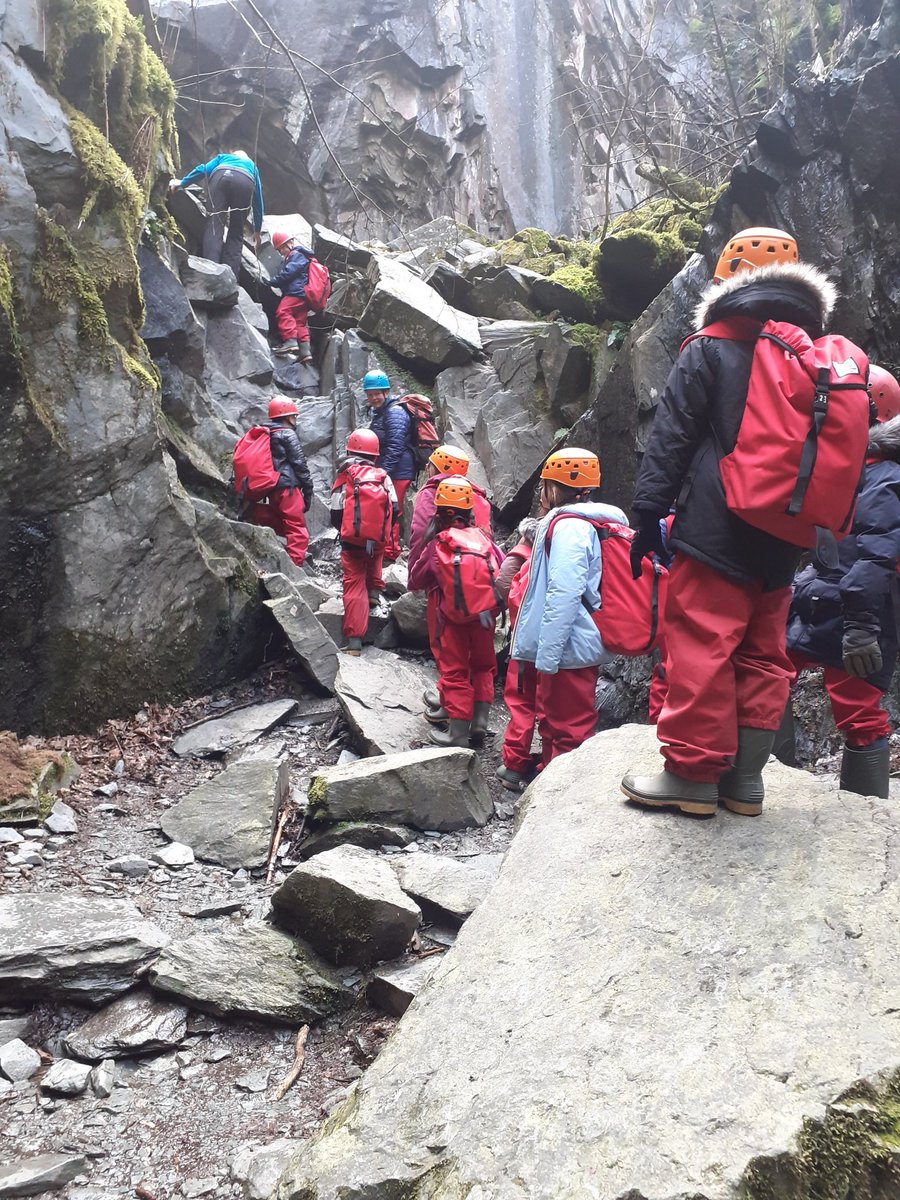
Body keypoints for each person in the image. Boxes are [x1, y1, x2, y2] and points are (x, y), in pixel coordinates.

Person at [622, 228, 841, 817]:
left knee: (701, 642)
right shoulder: (814, 357)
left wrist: (646, 514)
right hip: (785, 533)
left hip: (716, 526)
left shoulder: (710, 346)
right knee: (764, 650)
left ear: (726, 280)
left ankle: (692, 776)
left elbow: (671, 438)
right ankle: (744, 781)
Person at [786, 367, 900, 798]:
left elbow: (876, 557)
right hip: (819, 595)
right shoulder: (844, 468)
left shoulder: (885, 477)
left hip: (861, 609)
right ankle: (759, 779)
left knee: (857, 708)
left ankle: (866, 814)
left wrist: (862, 625)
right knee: (769, 674)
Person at [511, 449, 627, 766]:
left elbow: (565, 591)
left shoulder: (571, 528)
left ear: (555, 487)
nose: (540, 492)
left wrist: (547, 657)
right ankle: (547, 778)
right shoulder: (576, 523)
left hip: (570, 646)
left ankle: (560, 801)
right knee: (554, 722)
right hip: (569, 642)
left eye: (544, 484)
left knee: (569, 729)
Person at [408, 477, 503, 748]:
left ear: (438, 511)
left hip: (451, 617)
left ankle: (457, 733)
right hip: (484, 616)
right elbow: (501, 569)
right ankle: (480, 722)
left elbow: (419, 578)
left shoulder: (440, 542)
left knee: (455, 670)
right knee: (484, 665)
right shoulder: (483, 538)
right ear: (469, 511)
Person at [330, 428, 398, 656]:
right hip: (378, 537)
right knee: (376, 555)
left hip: (352, 541)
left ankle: (355, 641)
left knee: (353, 583)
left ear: (350, 450)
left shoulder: (345, 476)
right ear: (375, 455)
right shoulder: (383, 476)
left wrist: (347, 530)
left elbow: (336, 511)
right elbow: (395, 508)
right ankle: (374, 594)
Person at [169, 150, 264, 282]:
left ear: (234, 154)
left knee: (214, 224)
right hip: (245, 180)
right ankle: (230, 279)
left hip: (221, 175)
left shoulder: (224, 157)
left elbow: (203, 169)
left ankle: (210, 270)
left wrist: (183, 182)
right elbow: (258, 199)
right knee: (236, 232)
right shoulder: (252, 167)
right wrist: (257, 229)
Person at [496, 519, 540, 790]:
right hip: (567, 647)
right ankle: (551, 764)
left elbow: (503, 583)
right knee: (553, 709)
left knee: (522, 703)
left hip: (526, 643)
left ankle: (513, 767)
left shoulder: (525, 552)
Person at [246, 396, 313, 568]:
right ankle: (293, 569)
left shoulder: (265, 433)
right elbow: (299, 463)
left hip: (271, 489)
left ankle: (251, 513)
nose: (295, 419)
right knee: (298, 530)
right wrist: (308, 489)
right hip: (288, 488)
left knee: (282, 522)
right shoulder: (287, 433)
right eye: (294, 416)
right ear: (288, 417)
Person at [409, 444, 492, 572]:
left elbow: (421, 533)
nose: (426, 467)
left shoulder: (431, 493)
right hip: (480, 566)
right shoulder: (476, 495)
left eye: (430, 464)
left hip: (445, 565)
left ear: (438, 468)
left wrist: (414, 572)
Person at [364, 371, 416, 562]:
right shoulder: (382, 412)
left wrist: (383, 471)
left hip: (398, 471)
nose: (374, 398)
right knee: (386, 509)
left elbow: (396, 446)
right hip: (392, 469)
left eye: (377, 393)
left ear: (386, 392)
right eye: (370, 394)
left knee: (390, 510)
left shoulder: (394, 413)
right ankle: (386, 549)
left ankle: (390, 553)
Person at [263, 232, 314, 362]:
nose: (282, 252)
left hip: (295, 293)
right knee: (300, 323)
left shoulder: (296, 255)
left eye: (283, 248)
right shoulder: (302, 256)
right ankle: (305, 352)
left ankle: (290, 341)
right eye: (280, 250)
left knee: (283, 311)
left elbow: (289, 272)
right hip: (304, 296)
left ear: (290, 243)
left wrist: (273, 281)